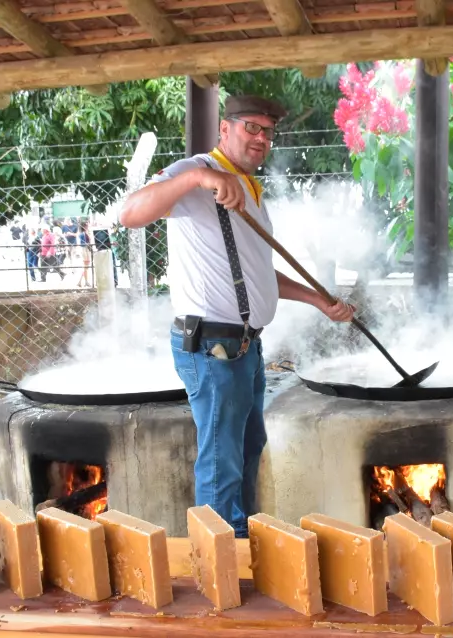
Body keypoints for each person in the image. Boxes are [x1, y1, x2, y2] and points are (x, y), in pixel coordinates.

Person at [118, 95, 355, 537]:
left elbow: (258, 274)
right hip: (211, 346)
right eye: (251, 127)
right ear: (224, 129)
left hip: (244, 345)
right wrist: (200, 176)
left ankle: (240, 541)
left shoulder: (247, 186)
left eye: (267, 131)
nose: (261, 138)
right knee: (220, 457)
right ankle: (218, 561)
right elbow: (128, 213)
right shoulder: (197, 172)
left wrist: (317, 300)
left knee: (246, 449)